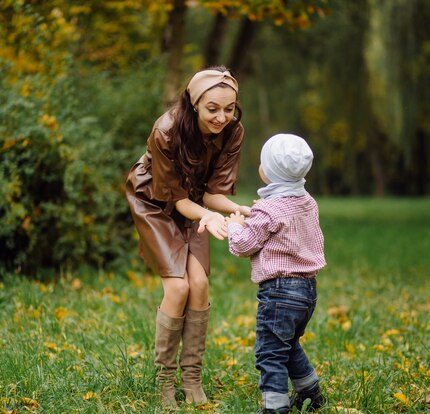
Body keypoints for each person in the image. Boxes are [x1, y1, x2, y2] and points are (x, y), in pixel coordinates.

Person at [125, 66, 251, 407]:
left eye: (229, 108)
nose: (222, 116)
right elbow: (177, 200)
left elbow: (213, 194)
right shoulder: (165, 131)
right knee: (178, 286)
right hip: (155, 203)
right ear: (194, 103)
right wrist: (208, 216)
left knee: (201, 284)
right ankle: (164, 380)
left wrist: (239, 209)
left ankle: (192, 378)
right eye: (213, 109)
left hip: (194, 205)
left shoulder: (232, 132)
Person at [226, 134, 327, 413]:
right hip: (308, 291)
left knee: (270, 352)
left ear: (269, 171)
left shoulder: (267, 209)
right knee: (288, 343)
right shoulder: (308, 201)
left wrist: (235, 225)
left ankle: (275, 407)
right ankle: (310, 392)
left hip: (280, 292)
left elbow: (243, 245)